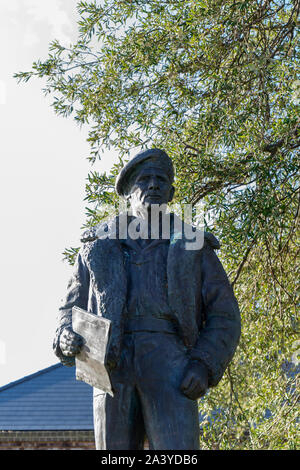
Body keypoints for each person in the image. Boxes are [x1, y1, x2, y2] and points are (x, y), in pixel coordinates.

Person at [53, 148, 241, 450]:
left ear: (171, 191)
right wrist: (64, 335)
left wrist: (204, 364)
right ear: (128, 193)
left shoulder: (192, 244)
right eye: (144, 179)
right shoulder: (97, 246)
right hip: (111, 365)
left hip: (171, 361)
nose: (153, 185)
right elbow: (70, 307)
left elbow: (225, 315)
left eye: (161, 179)